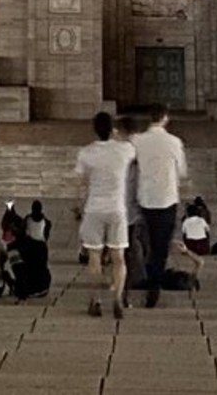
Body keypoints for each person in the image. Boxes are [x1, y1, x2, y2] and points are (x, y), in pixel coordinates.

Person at [73, 109, 136, 321]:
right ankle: (117, 299)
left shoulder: (86, 152)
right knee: (119, 258)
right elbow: (132, 147)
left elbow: (81, 185)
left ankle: (95, 300)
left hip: (94, 208)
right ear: (112, 129)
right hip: (117, 208)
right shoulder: (125, 150)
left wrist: (78, 207)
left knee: (94, 258)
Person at [133, 103, 189, 309]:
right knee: (161, 247)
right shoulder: (174, 142)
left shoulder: (138, 141)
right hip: (167, 198)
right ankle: (155, 283)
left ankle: (150, 279)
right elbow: (182, 171)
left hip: (145, 198)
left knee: (147, 243)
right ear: (165, 118)